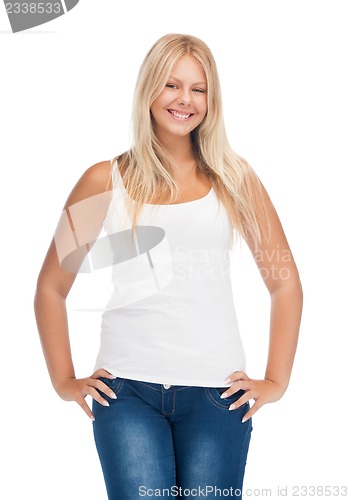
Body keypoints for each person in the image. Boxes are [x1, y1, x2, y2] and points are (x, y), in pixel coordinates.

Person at [34, 33, 303, 499]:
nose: (184, 100)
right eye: (171, 85)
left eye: (198, 89)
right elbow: (51, 287)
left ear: (211, 99)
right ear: (149, 91)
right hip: (126, 393)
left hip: (217, 394)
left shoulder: (235, 180)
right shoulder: (105, 179)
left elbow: (285, 284)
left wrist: (276, 380)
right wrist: (63, 380)